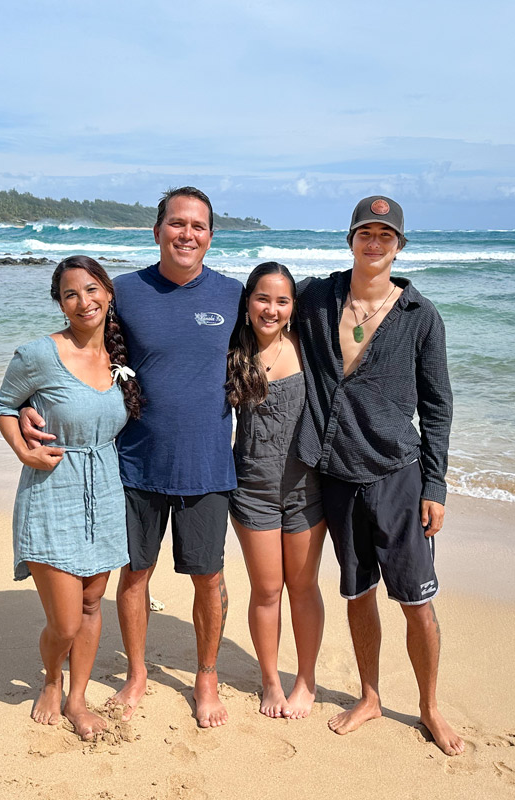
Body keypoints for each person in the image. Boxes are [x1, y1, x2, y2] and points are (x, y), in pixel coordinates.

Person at [21, 187, 243, 728]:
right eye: (176, 223)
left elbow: (281, 338)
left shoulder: (235, 295)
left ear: (211, 236)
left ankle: (206, 677)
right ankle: (138, 672)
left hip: (209, 464)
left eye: (198, 225)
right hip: (136, 464)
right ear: (157, 230)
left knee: (209, 579)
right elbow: (80, 350)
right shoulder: (124, 292)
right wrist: (28, 403)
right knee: (135, 577)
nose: (186, 233)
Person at [294, 196, 464, 755]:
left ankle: (429, 706)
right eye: (365, 232)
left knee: (416, 599)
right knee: (358, 591)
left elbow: (438, 407)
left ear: (399, 246)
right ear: (350, 239)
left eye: (384, 235)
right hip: (336, 473)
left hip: (398, 474)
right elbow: (258, 307)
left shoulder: (421, 317)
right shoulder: (317, 297)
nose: (374, 242)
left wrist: (435, 486)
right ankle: (369, 696)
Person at [0, 255, 143, 741]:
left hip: (106, 490)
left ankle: (76, 698)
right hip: (52, 490)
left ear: (109, 294)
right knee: (63, 622)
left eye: (93, 289)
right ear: (60, 302)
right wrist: (22, 449)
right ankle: (51, 678)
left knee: (92, 603)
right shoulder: (38, 354)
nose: (84, 301)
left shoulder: (120, 358)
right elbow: (2, 406)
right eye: (71, 294)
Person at [226, 262, 326, 719]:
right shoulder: (232, 351)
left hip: (307, 487)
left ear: (292, 307)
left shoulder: (309, 347)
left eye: (282, 300)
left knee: (303, 586)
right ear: (248, 303)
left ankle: (305, 681)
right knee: (267, 590)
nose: (271, 308)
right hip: (252, 488)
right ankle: (270, 681)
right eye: (262, 298)